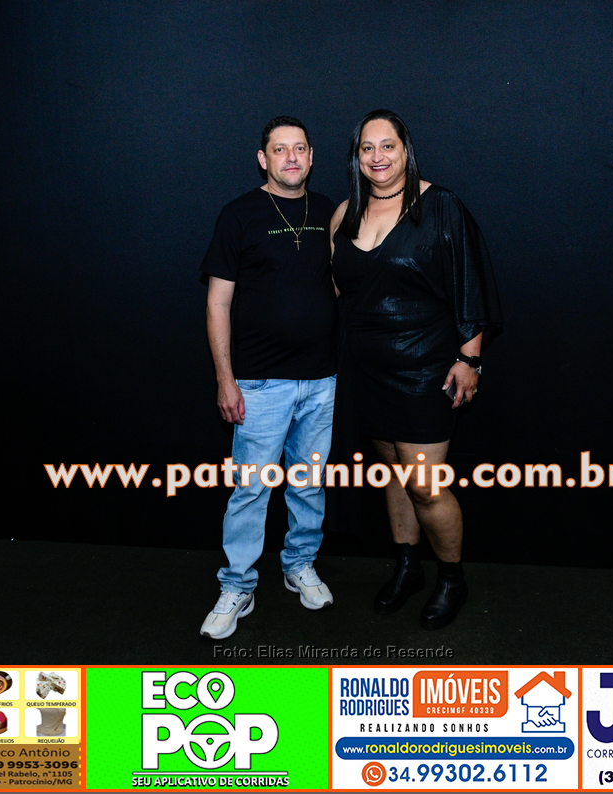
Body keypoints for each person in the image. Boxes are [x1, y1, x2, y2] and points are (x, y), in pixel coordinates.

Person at [330, 109, 502, 630]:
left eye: (388, 145)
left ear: (406, 149)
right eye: (367, 147)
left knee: (425, 485)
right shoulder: (345, 214)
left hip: (426, 369)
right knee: (393, 475)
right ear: (356, 156)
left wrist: (470, 359)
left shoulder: (440, 205)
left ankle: (451, 578)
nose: (377, 156)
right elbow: (340, 288)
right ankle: (408, 567)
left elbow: (470, 282)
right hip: (367, 369)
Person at [199, 116, 338, 639]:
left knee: (309, 483)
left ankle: (299, 564)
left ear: (311, 156)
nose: (291, 158)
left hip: (321, 379)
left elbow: (339, 282)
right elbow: (218, 302)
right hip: (259, 383)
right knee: (251, 490)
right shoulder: (239, 214)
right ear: (263, 159)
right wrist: (225, 378)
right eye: (280, 150)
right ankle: (238, 584)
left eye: (299, 148)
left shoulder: (328, 211)